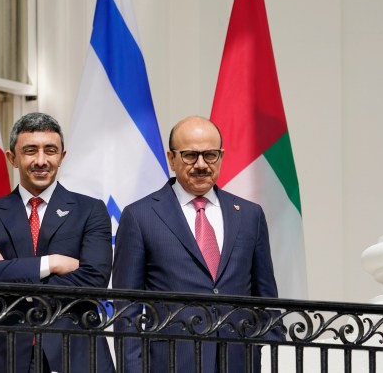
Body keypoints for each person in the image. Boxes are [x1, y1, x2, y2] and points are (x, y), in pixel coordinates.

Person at [112, 115, 279, 373]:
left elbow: (266, 296)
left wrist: (264, 351)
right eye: (190, 155)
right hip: (172, 362)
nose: (201, 164)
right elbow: (127, 310)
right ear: (171, 159)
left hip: (239, 361)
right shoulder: (139, 216)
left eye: (210, 155)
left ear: (221, 156)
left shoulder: (249, 215)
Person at [0, 112, 115, 373]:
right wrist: (51, 263)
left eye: (50, 150)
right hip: (5, 354)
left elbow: (94, 279)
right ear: (12, 157)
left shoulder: (90, 210)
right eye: (30, 151)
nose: (41, 161)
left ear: (62, 156)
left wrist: (9, 269)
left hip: (74, 352)